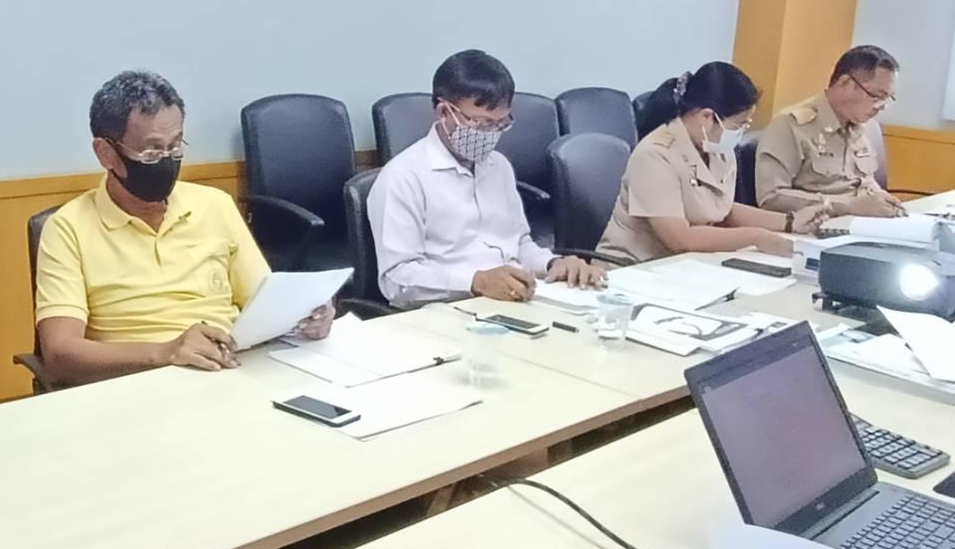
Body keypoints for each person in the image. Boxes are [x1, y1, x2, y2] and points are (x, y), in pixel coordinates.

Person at [35, 70, 333, 387]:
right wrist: (166, 352)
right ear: (106, 153)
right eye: (151, 151)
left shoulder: (215, 205)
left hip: (231, 371)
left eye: (175, 147)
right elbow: (60, 353)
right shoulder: (67, 228)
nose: (167, 161)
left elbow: (264, 303)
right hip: (137, 385)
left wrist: (304, 316)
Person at [367, 50, 602, 306]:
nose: (491, 134)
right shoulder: (403, 177)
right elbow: (397, 280)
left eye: (500, 124)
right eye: (481, 123)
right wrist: (474, 282)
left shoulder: (499, 166)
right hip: (447, 309)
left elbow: (519, 244)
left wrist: (553, 263)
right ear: (444, 112)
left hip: (511, 301)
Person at [597, 62, 826, 265]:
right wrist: (756, 237)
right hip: (634, 268)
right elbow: (680, 239)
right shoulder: (655, 154)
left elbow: (722, 209)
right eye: (738, 125)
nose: (741, 132)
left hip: (686, 265)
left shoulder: (715, 148)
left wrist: (790, 222)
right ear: (707, 117)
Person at [756, 45, 904, 217]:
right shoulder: (791, 125)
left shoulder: (865, 126)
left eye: (888, 98)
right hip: (818, 225)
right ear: (845, 83)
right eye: (876, 96)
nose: (881, 106)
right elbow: (771, 198)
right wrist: (847, 206)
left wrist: (884, 200)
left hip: (863, 222)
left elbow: (866, 183)